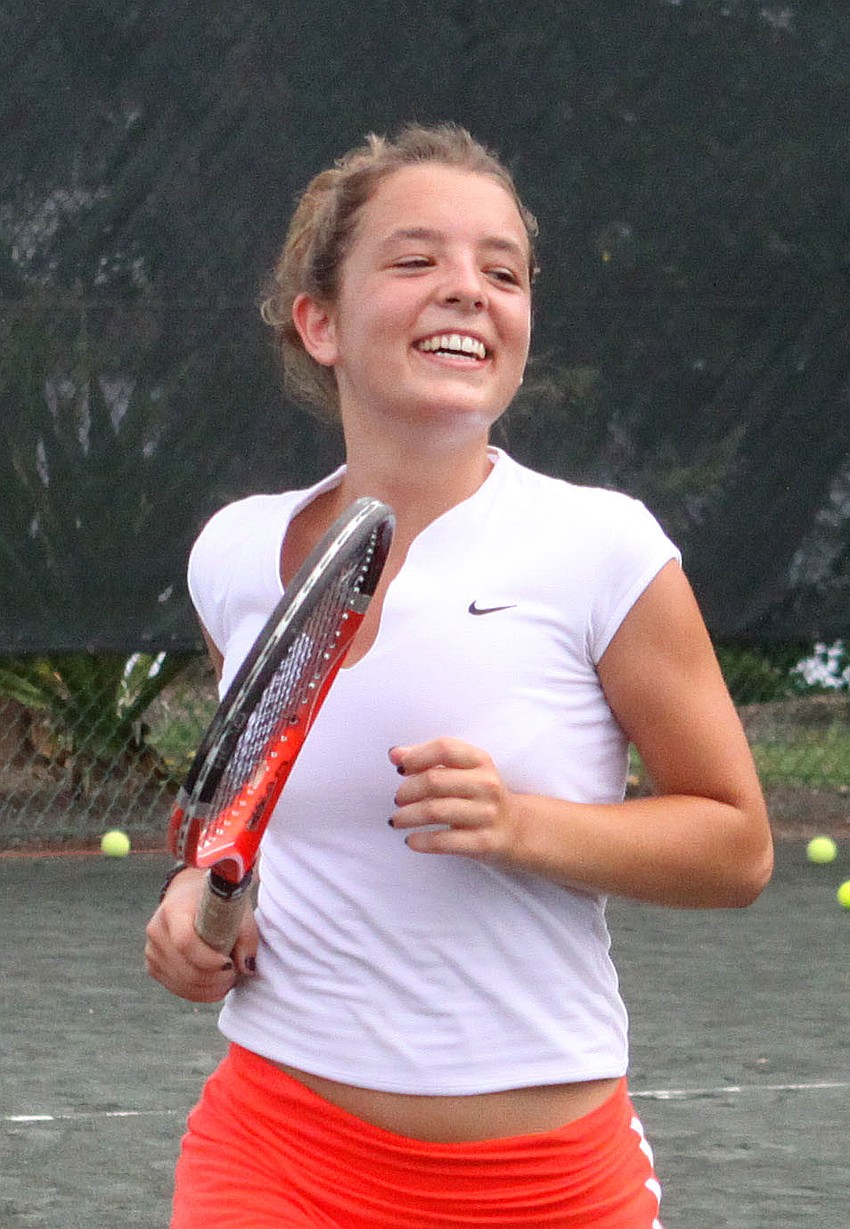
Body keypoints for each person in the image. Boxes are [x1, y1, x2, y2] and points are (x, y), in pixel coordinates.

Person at [145, 123, 773, 1229]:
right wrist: (198, 890)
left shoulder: (601, 547)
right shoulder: (234, 552)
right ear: (319, 320)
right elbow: (254, 795)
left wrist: (522, 822)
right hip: (275, 1152)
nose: (467, 291)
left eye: (502, 271)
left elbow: (736, 845)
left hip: (546, 1180)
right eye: (415, 259)